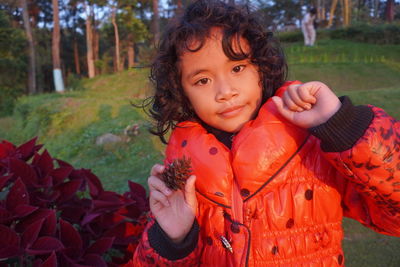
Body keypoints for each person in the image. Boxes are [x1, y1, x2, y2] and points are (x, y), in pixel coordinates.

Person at [128, 0, 400, 266]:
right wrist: (172, 240)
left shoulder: (312, 146)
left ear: (261, 67)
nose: (225, 92)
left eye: (237, 68)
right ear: (182, 92)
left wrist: (345, 126)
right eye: (203, 80)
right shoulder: (181, 169)